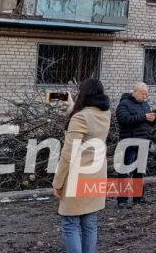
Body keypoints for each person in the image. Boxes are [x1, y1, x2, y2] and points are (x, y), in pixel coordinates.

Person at [53, 79, 111, 253]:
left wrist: (58, 182)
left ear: (83, 93)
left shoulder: (80, 117)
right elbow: (86, 119)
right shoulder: (105, 113)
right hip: (96, 174)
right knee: (90, 223)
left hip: (77, 177)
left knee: (70, 223)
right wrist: (72, 105)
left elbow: (68, 154)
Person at [115, 82, 156, 208]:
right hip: (129, 143)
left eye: (146, 95)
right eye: (143, 94)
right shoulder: (124, 104)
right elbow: (123, 120)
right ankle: (122, 200)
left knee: (140, 172)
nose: (145, 97)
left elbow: (148, 123)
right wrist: (143, 117)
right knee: (125, 172)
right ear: (136, 92)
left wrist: (153, 120)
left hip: (143, 142)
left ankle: (138, 197)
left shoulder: (145, 105)